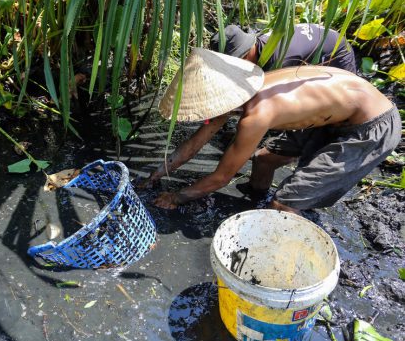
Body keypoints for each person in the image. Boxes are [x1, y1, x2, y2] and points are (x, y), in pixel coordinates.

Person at [144, 48, 399, 214]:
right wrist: (156, 175)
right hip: (336, 114)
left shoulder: (257, 116)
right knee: (263, 159)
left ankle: (286, 259)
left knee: (285, 201)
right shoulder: (243, 87)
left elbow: (221, 177)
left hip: (371, 127)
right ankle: (256, 203)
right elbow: (195, 142)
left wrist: (177, 197)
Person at [210, 23, 356, 73]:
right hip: (313, 42)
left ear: (247, 51)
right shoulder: (261, 45)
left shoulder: (279, 60)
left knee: (347, 99)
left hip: (336, 49)